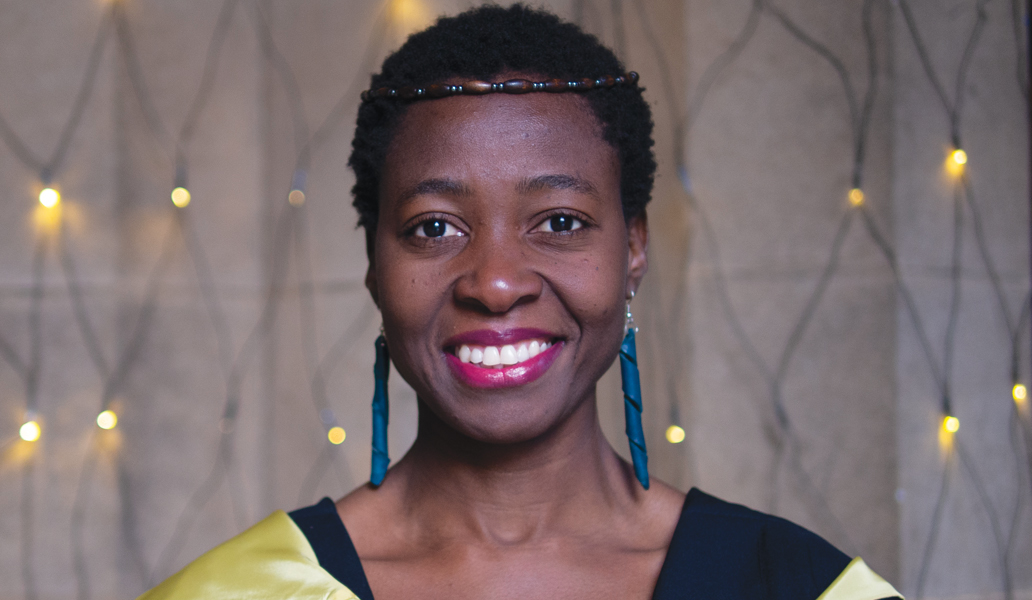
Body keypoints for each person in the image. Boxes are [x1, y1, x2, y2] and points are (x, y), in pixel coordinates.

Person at [141, 5, 903, 599]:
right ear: (374, 261)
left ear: (633, 248)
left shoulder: (797, 588)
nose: (496, 282)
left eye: (561, 223)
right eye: (434, 227)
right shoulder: (248, 590)